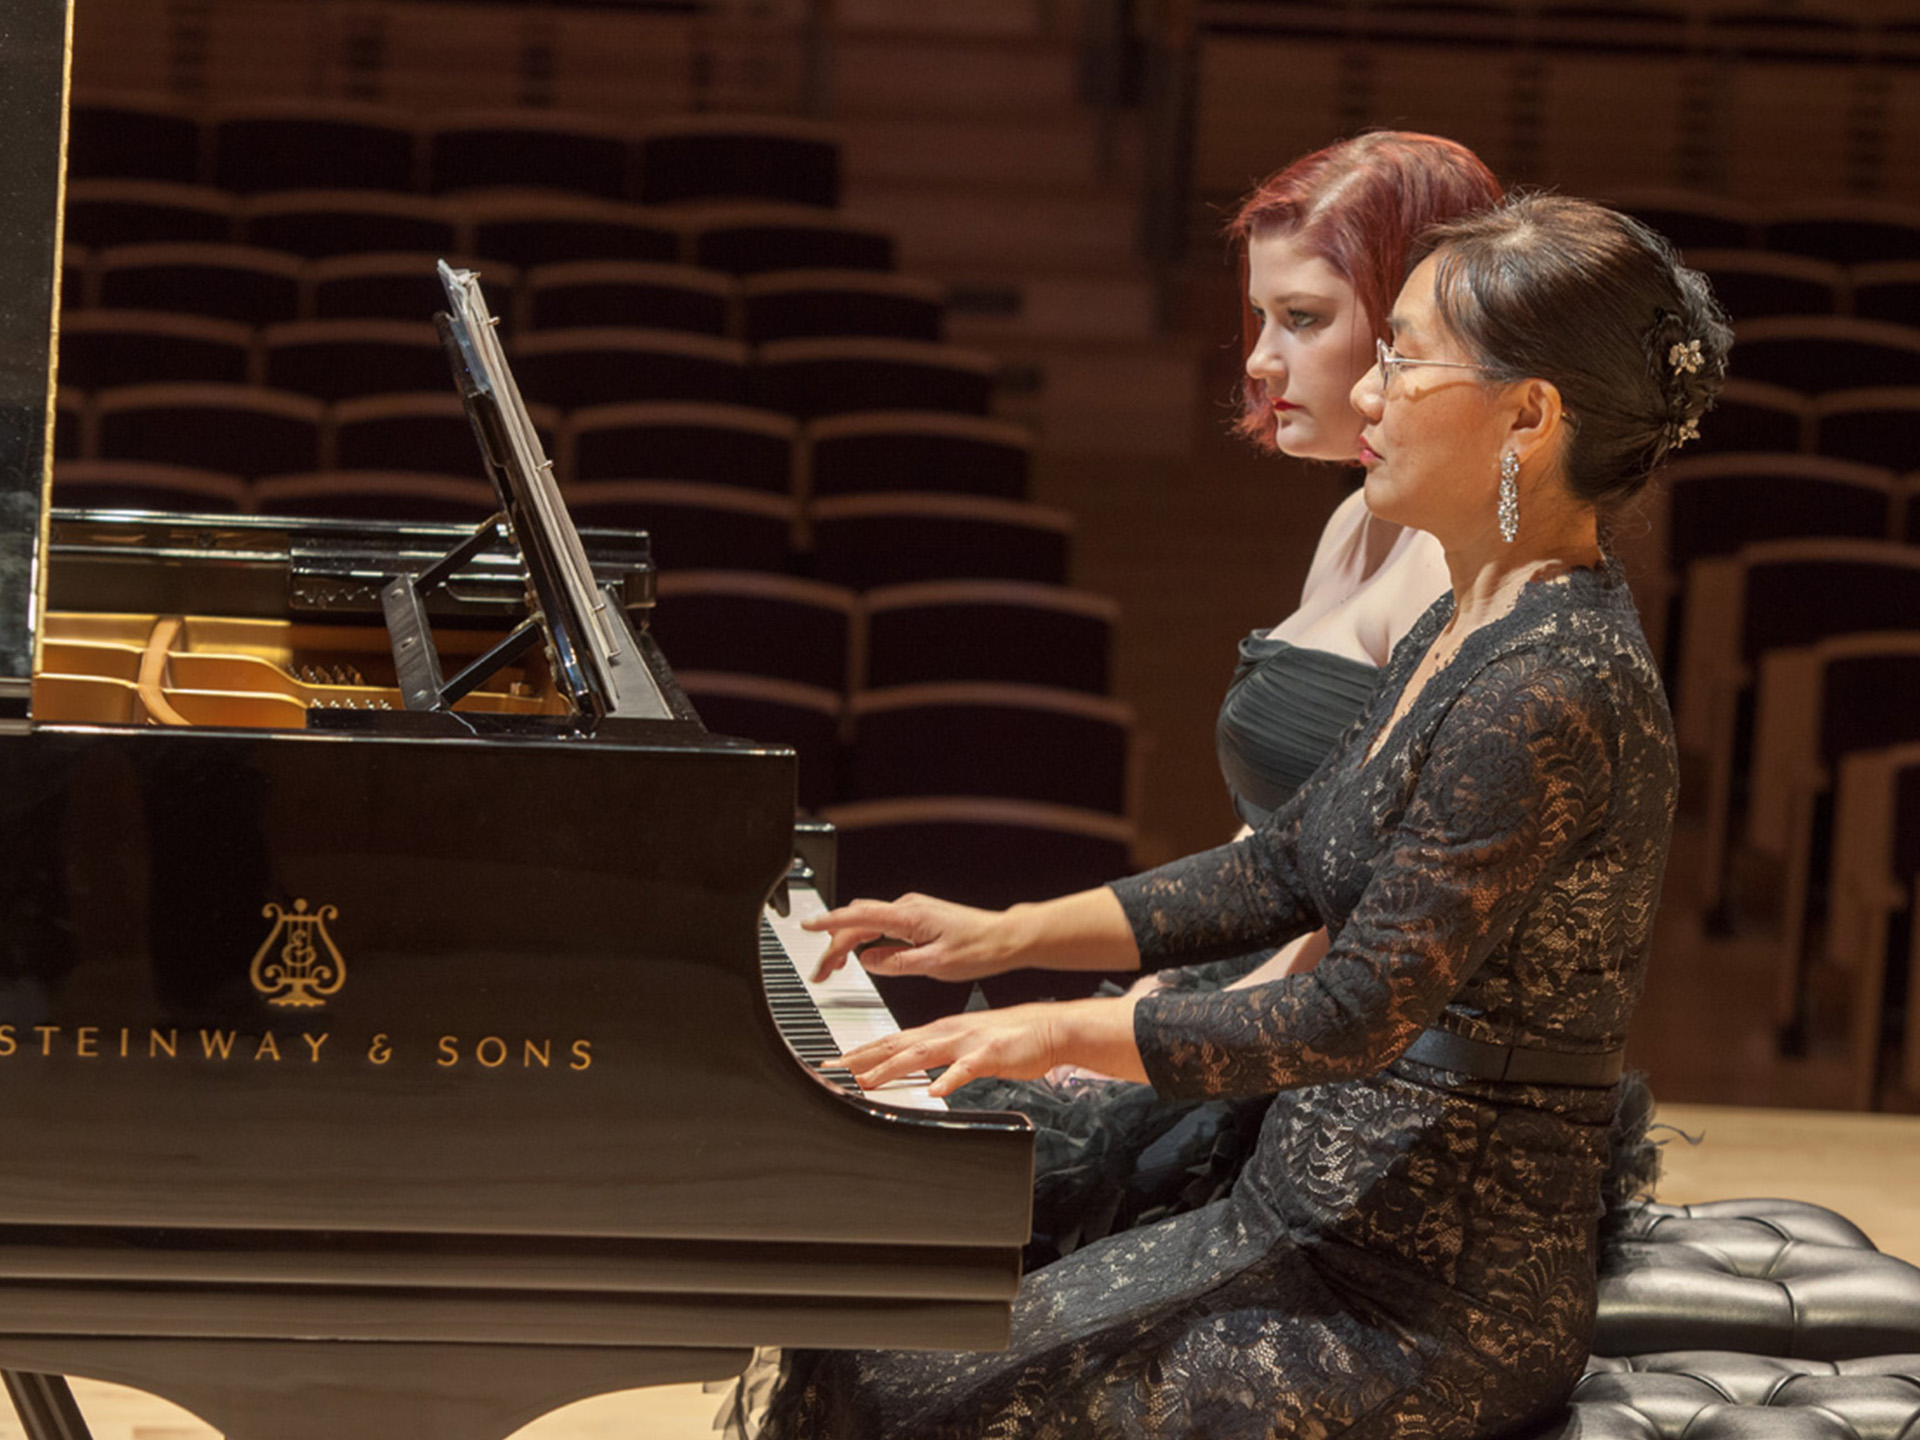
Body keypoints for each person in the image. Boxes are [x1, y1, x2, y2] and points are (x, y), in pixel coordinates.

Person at [744, 193, 1729, 1439]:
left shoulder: (1552, 684)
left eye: (1405, 357)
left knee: (897, 1388)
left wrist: (1055, 1030)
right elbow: (1284, 868)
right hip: (1313, 1203)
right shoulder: (1468, 615)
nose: (1368, 394)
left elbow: (1355, 1008)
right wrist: (1005, 936)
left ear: (1529, 416)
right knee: (876, 1347)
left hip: (1426, 1283)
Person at [946, 131, 1500, 1263]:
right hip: (1260, 999)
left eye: (1302, 320)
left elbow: (1373, 928)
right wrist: (1144, 980)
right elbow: (1281, 849)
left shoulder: (1456, 570)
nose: (1255, 358)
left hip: (1358, 1076)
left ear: (1414, 331)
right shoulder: (1355, 524)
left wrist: (1130, 1034)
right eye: (1258, 319)